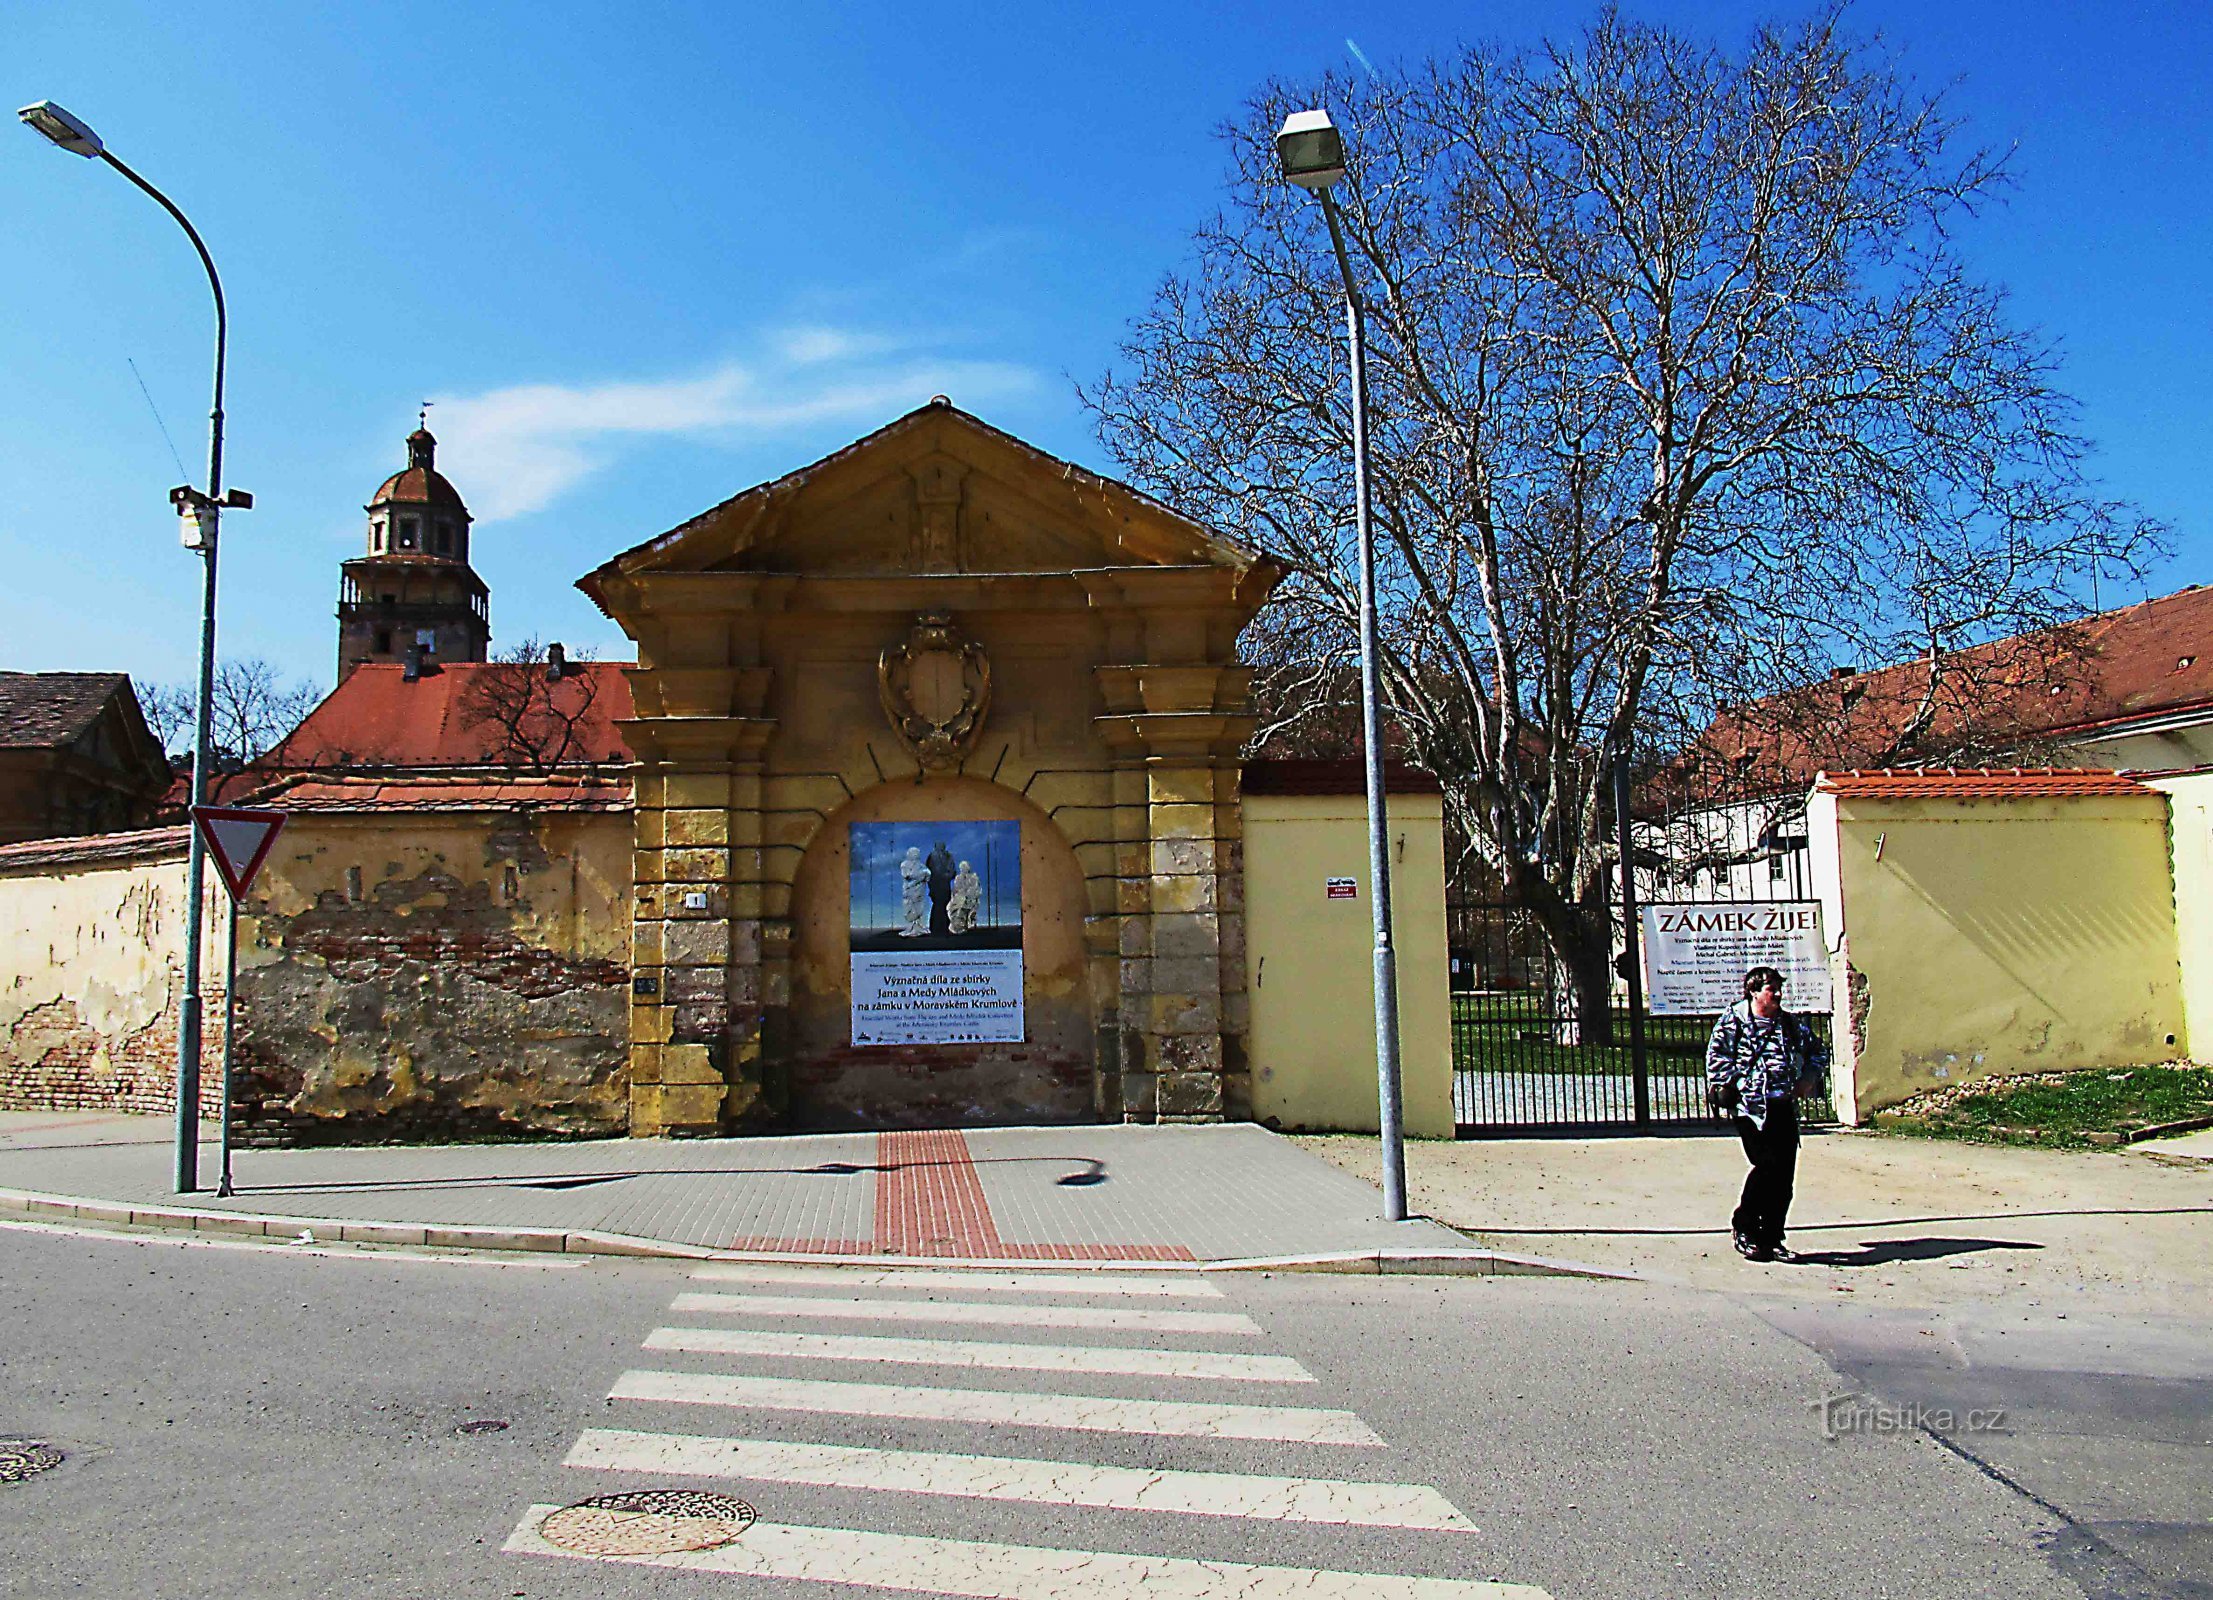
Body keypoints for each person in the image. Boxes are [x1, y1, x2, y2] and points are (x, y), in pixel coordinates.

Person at [1706, 965, 1829, 1263]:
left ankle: (1772, 1237)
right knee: (1766, 1165)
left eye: (1778, 988)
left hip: (1782, 1105)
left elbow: (1818, 1051)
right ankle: (1745, 1227)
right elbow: (1716, 1058)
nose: (1777, 994)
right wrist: (1738, 1082)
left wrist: (1809, 1077)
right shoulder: (1735, 1020)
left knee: (1783, 1176)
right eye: (1770, 989)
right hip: (1751, 1109)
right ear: (1754, 991)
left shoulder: (1789, 1024)